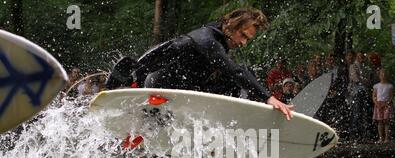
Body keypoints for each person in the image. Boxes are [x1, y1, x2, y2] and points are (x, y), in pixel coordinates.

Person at [106, 8, 293, 120]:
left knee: (245, 72)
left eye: (248, 39)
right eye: (243, 35)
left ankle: (234, 118)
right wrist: (268, 97)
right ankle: (147, 116)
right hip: (159, 85)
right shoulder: (206, 39)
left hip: (187, 87)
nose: (243, 42)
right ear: (231, 25)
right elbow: (233, 71)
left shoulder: (219, 35)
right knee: (237, 73)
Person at [372, 68, 394, 143]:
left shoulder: (390, 86)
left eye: (384, 74)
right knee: (380, 121)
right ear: (379, 75)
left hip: (387, 104)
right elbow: (374, 96)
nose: (383, 75)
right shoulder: (376, 86)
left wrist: (387, 103)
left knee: (386, 121)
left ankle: (387, 138)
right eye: (381, 74)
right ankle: (381, 138)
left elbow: (391, 96)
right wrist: (376, 103)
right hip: (378, 104)